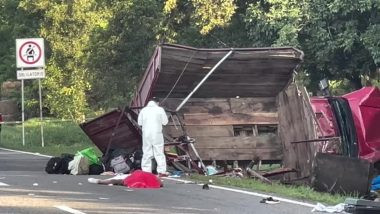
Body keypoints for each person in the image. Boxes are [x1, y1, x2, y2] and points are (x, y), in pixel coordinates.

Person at [138, 97, 169, 177]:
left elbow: (139, 123)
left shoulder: (143, 110)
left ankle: (146, 171)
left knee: (146, 152)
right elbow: (165, 122)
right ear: (157, 103)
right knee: (159, 152)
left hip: (146, 134)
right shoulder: (160, 109)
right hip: (157, 133)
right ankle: (161, 171)